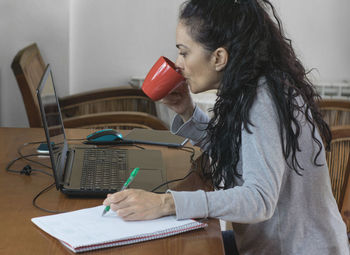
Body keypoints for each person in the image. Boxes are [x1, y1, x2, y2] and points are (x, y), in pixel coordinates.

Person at [103, 0, 349, 254]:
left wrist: (166, 203)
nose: (179, 64)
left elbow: (259, 200)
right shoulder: (254, 87)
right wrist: (187, 110)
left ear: (219, 57)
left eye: (184, 52)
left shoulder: (262, 99)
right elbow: (237, 153)